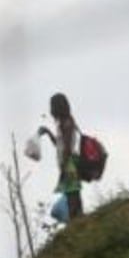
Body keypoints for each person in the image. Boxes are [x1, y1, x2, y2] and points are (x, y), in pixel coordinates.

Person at [39, 92, 83, 222]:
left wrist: (64, 166)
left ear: (58, 107)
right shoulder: (62, 124)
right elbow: (59, 145)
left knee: (72, 195)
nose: (50, 110)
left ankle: (76, 221)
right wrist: (48, 133)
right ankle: (79, 220)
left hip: (70, 164)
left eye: (52, 107)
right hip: (67, 163)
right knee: (72, 194)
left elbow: (68, 147)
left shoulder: (67, 123)